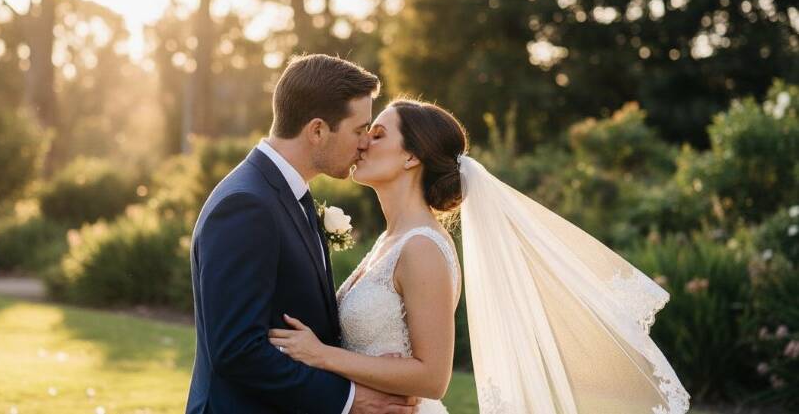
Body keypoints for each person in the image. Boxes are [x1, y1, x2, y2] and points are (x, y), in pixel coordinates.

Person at [269, 98, 691, 414]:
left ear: (412, 156)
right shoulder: (390, 240)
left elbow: (433, 378)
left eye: (378, 134)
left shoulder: (422, 248)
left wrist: (322, 355)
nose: (362, 143)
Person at [185, 54, 417, 414]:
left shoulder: (288, 194)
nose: (364, 144)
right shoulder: (247, 205)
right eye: (359, 130)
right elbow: (236, 350)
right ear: (318, 130)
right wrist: (350, 400)